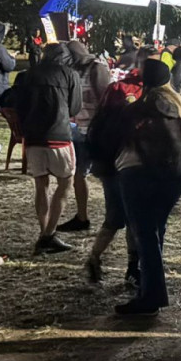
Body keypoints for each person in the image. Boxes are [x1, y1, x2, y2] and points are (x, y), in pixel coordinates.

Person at [113, 58, 181, 315]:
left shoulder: (137, 109)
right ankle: (150, 287)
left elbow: (118, 140)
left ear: (144, 82)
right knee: (156, 231)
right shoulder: (179, 109)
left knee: (145, 235)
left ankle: (151, 296)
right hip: (174, 177)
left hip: (140, 174)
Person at [85, 46, 155, 286]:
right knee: (116, 217)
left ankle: (132, 267)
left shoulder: (160, 91)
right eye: (150, 63)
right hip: (116, 164)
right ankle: (94, 257)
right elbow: (105, 125)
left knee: (136, 218)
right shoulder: (120, 89)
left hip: (143, 166)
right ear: (140, 64)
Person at [15, 43, 82, 254]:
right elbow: (74, 108)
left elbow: (19, 105)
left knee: (41, 185)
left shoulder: (28, 75)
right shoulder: (70, 74)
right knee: (65, 182)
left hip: (33, 137)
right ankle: (48, 234)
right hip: (59, 135)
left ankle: (44, 231)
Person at [56, 41, 113, 233]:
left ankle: (110, 216)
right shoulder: (72, 69)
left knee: (101, 174)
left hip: (94, 129)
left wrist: (101, 128)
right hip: (77, 128)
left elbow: (105, 99)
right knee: (79, 174)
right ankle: (82, 216)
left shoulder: (96, 68)